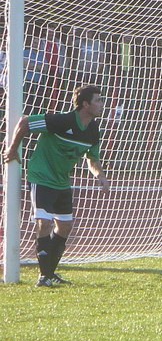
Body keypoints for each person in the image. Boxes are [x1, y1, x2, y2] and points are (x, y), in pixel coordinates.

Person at [4, 85, 110, 287]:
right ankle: (44, 276)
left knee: (65, 226)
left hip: (62, 181)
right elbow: (25, 122)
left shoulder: (93, 130)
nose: (102, 104)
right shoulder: (62, 121)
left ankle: (49, 274)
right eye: (98, 100)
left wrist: (101, 176)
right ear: (85, 104)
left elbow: (92, 158)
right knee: (44, 223)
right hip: (42, 177)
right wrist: (12, 149)